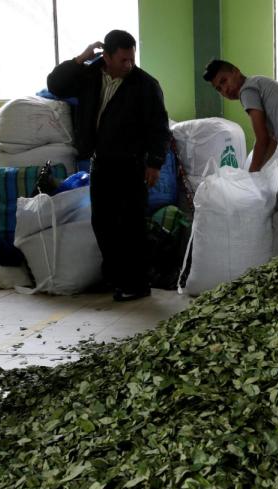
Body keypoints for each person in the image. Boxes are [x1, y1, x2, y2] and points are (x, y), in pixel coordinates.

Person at [47, 30, 170, 302]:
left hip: (131, 165)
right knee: (102, 223)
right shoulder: (89, 75)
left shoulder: (145, 85)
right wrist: (80, 59)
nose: (129, 65)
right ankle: (116, 279)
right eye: (123, 60)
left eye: (131, 59)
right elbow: (56, 85)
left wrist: (155, 163)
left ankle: (137, 284)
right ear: (107, 56)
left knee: (131, 226)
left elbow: (159, 128)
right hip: (100, 163)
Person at [202, 59, 278, 256]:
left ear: (236, 71)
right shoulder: (260, 84)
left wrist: (250, 175)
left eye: (224, 81)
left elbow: (261, 139)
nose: (225, 90)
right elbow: (271, 140)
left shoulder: (247, 90)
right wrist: (256, 171)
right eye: (219, 89)